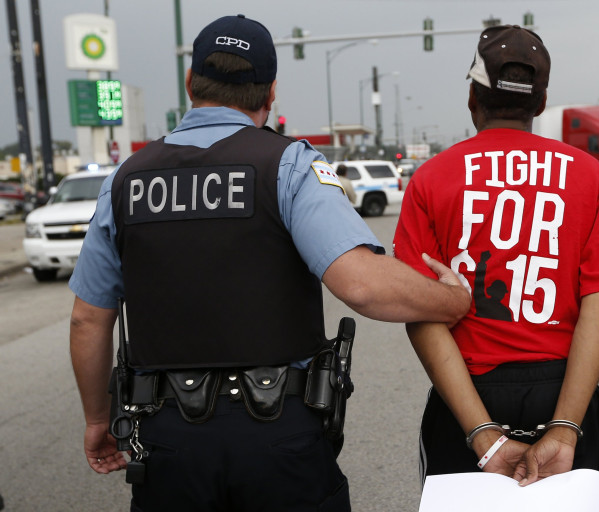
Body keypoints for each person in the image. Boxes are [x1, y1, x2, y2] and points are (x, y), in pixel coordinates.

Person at [68, 15, 470, 512]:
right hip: (277, 435)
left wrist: (95, 419)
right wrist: (452, 300)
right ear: (270, 93)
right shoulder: (289, 165)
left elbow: (88, 318)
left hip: (167, 438)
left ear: (191, 83)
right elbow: (364, 286)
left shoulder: (125, 180)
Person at [393, 25, 599, 488]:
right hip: (565, 390)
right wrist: (566, 428)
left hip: (466, 394)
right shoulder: (589, 176)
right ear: (540, 104)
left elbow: (421, 313)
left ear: (473, 97)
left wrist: (482, 434)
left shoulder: (429, 179)